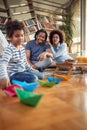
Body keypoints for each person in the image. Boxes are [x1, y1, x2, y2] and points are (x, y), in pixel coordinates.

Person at [0, 20, 43, 89]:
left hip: (23, 72)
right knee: (34, 78)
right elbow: (2, 63)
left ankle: (21, 83)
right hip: (13, 75)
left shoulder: (22, 48)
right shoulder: (9, 50)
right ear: (10, 37)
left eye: (22, 35)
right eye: (17, 36)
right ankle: (13, 82)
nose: (20, 38)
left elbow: (25, 63)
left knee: (41, 75)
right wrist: (4, 77)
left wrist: (32, 70)